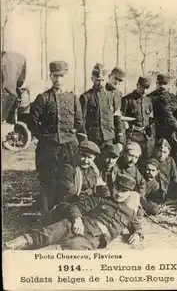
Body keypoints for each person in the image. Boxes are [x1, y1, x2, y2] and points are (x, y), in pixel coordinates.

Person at [4, 174, 143, 250]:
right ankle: (11, 245)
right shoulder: (101, 199)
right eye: (118, 189)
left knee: (71, 248)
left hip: (94, 239)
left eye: (124, 191)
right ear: (113, 187)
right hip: (79, 225)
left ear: (130, 193)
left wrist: (137, 234)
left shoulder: (130, 212)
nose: (119, 193)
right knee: (48, 234)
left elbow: (137, 227)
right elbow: (76, 206)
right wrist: (77, 219)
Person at [27, 60, 85, 214]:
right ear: (50, 76)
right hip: (48, 148)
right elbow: (32, 123)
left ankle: (66, 213)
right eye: (55, 76)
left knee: (67, 181)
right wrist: (45, 138)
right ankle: (47, 216)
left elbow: (79, 122)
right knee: (48, 182)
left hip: (69, 148)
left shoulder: (73, 98)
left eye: (61, 76)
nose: (58, 80)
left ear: (66, 77)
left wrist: (69, 135)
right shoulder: (43, 98)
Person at [79, 64, 126, 152]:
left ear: (108, 77)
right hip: (93, 140)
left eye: (102, 80)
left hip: (109, 139)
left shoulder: (113, 95)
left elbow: (118, 119)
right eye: (97, 80)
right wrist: (84, 140)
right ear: (92, 79)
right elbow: (82, 121)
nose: (100, 83)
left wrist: (120, 140)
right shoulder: (86, 97)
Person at [121, 76, 155, 161]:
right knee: (132, 159)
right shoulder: (127, 99)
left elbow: (150, 117)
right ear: (137, 85)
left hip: (146, 136)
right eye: (142, 87)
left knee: (145, 160)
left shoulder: (148, 100)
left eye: (146, 88)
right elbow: (120, 118)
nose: (144, 90)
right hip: (133, 135)